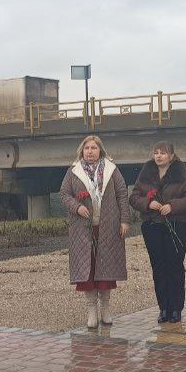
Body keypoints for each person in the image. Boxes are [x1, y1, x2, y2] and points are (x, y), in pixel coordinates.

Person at [59, 135, 130, 328]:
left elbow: (122, 194)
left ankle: (105, 309)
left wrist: (124, 220)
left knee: (106, 268)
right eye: (87, 148)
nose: (90, 151)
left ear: (100, 150)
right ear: (82, 151)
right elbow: (64, 194)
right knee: (87, 270)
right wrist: (76, 207)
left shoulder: (111, 169)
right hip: (83, 230)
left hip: (108, 227)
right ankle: (91, 310)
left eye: (94, 148)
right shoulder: (73, 171)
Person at [130, 141, 186, 323]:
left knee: (174, 266)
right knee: (158, 267)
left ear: (171, 156)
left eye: (163, 153)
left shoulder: (181, 174)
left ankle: (176, 308)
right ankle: (164, 308)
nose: (159, 156)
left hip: (176, 225)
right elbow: (134, 197)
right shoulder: (146, 173)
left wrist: (172, 206)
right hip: (153, 226)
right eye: (156, 152)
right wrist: (148, 203)